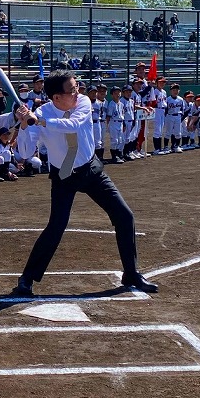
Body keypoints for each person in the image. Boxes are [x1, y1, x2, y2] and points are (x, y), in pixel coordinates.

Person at [11, 72, 157, 297]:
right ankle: (26, 279)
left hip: (90, 170)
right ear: (56, 97)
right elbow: (25, 152)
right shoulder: (41, 113)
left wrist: (38, 120)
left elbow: (72, 125)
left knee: (124, 217)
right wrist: (23, 125)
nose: (77, 91)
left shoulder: (83, 103)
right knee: (56, 227)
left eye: (77, 86)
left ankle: (131, 273)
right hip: (64, 174)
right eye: (72, 89)